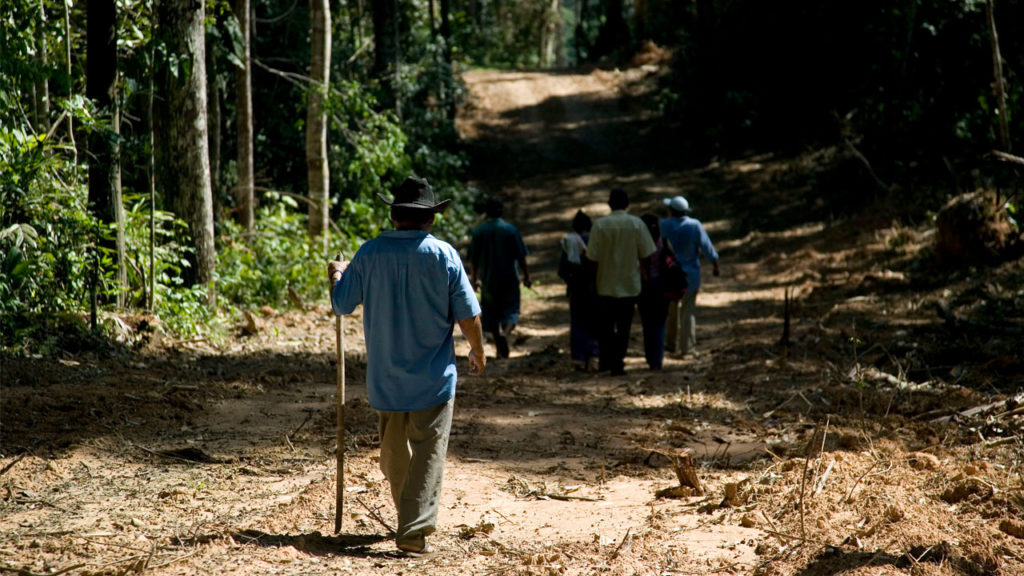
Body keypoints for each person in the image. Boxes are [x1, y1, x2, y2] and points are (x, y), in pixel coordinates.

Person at [328, 176, 485, 557]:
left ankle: (409, 518)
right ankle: (412, 530)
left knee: (393, 453)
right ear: (429, 219)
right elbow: (468, 313)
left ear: (394, 215)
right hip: (433, 377)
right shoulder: (444, 255)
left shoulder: (369, 254)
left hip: (386, 378)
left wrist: (338, 275)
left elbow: (341, 305)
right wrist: (478, 349)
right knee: (428, 452)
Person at [585, 188, 657, 376]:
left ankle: (607, 360)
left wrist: (591, 283)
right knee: (624, 327)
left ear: (609, 204)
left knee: (606, 326)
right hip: (630, 285)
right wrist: (646, 275)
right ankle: (618, 362)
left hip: (605, 284)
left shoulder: (600, 225)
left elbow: (592, 258)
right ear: (627, 204)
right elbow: (647, 254)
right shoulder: (636, 224)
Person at [468, 197, 531, 359]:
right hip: (509, 278)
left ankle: (498, 347)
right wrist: (526, 276)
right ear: (502, 211)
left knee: (492, 314)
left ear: (486, 213)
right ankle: (506, 332)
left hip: (489, 280)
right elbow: (521, 256)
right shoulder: (510, 230)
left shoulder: (479, 232)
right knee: (511, 310)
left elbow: (473, 260)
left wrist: (474, 280)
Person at [660, 195, 719, 356]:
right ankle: (687, 347)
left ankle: (670, 343)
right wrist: (715, 264)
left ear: (671, 210)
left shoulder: (664, 225)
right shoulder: (695, 225)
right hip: (691, 274)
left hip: (671, 274)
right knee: (688, 310)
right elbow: (707, 247)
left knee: (671, 309)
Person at [558, 210, 599, 371]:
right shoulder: (595, 241)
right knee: (595, 323)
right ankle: (594, 357)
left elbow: (562, 271)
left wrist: (571, 280)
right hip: (596, 290)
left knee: (578, 324)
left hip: (576, 291)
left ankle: (579, 359)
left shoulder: (569, 242)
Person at [638, 213, 670, 370]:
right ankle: (657, 359)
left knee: (647, 323)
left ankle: (650, 356)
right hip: (662, 287)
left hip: (644, 287)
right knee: (659, 324)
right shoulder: (662, 242)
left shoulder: (639, 244)